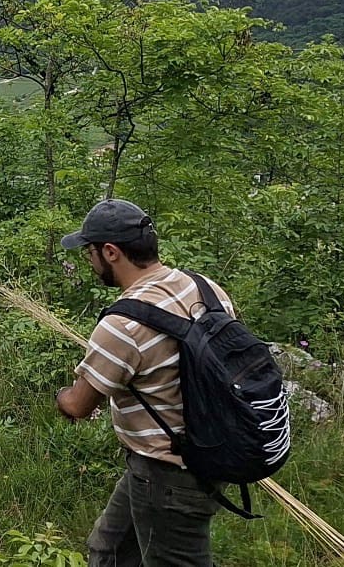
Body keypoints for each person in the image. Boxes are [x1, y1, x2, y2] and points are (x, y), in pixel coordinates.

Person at [53, 198, 232, 567]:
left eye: (90, 253)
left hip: (171, 475)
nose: (90, 261)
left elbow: (78, 406)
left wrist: (63, 394)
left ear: (111, 252)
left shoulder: (122, 325)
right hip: (196, 455)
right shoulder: (204, 288)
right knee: (109, 550)